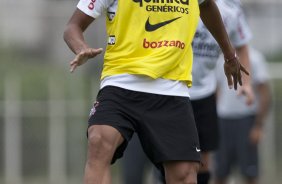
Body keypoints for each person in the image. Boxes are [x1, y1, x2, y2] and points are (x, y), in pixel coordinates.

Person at [63, 0, 248, 183]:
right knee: (99, 141)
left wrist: (230, 54)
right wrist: (82, 48)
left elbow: (206, 5)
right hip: (120, 82)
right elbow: (72, 27)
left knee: (185, 174)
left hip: (171, 88)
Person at [190, 0, 254, 183]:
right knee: (170, 158)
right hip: (173, 90)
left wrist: (246, 84)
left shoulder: (233, 8)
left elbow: (241, 45)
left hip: (205, 92)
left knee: (203, 160)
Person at [214, 47, 271, 184]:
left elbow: (264, 94)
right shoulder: (220, 59)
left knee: (249, 173)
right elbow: (217, 90)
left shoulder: (255, 58)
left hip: (246, 121)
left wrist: (258, 126)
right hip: (223, 121)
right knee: (220, 173)